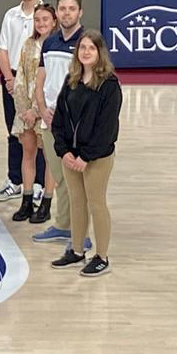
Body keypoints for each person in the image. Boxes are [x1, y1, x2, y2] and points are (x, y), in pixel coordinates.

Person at [50, 31, 122, 277]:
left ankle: (102, 257)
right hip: (71, 155)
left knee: (96, 203)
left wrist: (86, 156)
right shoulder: (71, 79)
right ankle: (77, 250)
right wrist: (64, 151)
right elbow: (59, 119)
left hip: (97, 157)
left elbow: (107, 128)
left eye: (92, 48)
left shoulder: (109, 85)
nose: (86, 52)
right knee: (77, 202)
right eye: (82, 48)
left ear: (100, 52)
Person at [32, 0, 91, 250]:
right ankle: (64, 225)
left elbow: (91, 85)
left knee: (77, 182)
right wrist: (42, 109)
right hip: (49, 121)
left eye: (71, 8)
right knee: (59, 177)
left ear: (80, 12)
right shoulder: (49, 42)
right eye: (63, 8)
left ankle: (82, 235)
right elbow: (41, 79)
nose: (67, 13)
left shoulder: (86, 43)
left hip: (73, 124)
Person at [0, 0, 47, 203]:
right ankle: (15, 181)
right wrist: (9, 79)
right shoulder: (11, 15)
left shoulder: (46, 16)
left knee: (39, 133)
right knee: (15, 132)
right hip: (15, 80)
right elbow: (3, 49)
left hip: (40, 79)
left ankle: (39, 183)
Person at [9, 4, 59, 223]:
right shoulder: (28, 44)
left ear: (54, 22)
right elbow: (21, 77)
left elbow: (55, 83)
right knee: (27, 153)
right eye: (37, 20)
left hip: (47, 111)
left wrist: (38, 110)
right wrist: (24, 110)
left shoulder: (57, 47)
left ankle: (46, 203)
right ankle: (27, 200)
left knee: (49, 158)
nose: (41, 24)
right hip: (26, 110)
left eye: (45, 19)